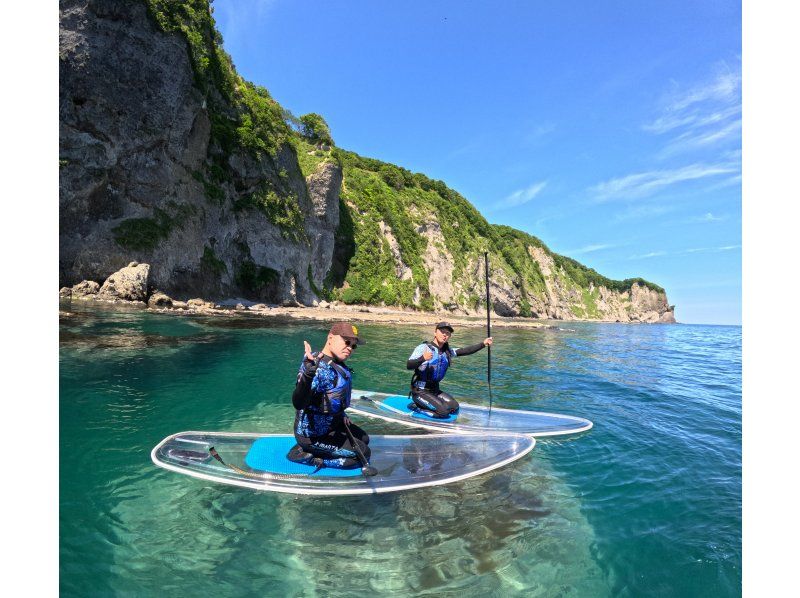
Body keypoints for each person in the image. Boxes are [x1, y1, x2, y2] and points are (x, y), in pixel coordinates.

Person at [287, 321, 371, 469]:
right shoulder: (315, 366)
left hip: (331, 425)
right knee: (362, 454)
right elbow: (299, 402)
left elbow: (330, 397)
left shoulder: (336, 363)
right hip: (312, 436)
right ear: (330, 338)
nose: (350, 348)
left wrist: (341, 414)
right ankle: (312, 458)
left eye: (353, 345)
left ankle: (316, 449)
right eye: (346, 342)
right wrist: (308, 375)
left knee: (364, 438)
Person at [406, 322, 493, 418]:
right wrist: (422, 358)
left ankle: (433, 405)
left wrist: (483, 344)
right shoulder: (423, 348)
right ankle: (416, 407)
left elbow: (465, 351)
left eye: (447, 333)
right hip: (420, 391)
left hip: (434, 390)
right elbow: (409, 365)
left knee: (454, 408)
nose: (444, 335)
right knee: (443, 412)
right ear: (435, 333)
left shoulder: (447, 352)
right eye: (442, 331)